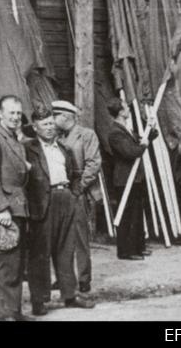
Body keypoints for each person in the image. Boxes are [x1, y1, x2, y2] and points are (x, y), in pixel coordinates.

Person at [25, 105, 95, 315]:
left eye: (51, 124)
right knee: (40, 252)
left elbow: (75, 174)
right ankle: (39, 300)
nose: (49, 128)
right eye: (44, 124)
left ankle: (69, 295)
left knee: (66, 249)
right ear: (35, 128)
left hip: (65, 198)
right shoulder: (28, 149)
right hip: (42, 200)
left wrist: (73, 195)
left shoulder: (64, 148)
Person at [0, 95, 32, 321]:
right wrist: (2, 208)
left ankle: (14, 311)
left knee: (17, 263)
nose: (15, 117)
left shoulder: (13, 138)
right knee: (8, 264)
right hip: (5, 210)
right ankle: (6, 313)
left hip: (18, 206)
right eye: (11, 113)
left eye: (18, 113)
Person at [53, 100, 103, 292]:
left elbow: (93, 164)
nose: (53, 120)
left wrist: (79, 187)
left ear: (65, 117)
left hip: (77, 192)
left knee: (80, 238)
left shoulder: (86, 135)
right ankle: (64, 277)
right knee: (60, 238)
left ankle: (83, 279)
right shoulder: (57, 137)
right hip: (60, 192)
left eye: (56, 116)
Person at [106, 98, 157, 260]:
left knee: (136, 213)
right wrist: (143, 146)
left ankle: (138, 247)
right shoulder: (115, 132)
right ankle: (126, 251)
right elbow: (130, 152)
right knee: (127, 215)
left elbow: (144, 139)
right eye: (126, 107)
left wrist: (151, 127)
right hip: (124, 179)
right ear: (120, 112)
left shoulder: (125, 129)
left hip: (135, 178)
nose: (128, 109)